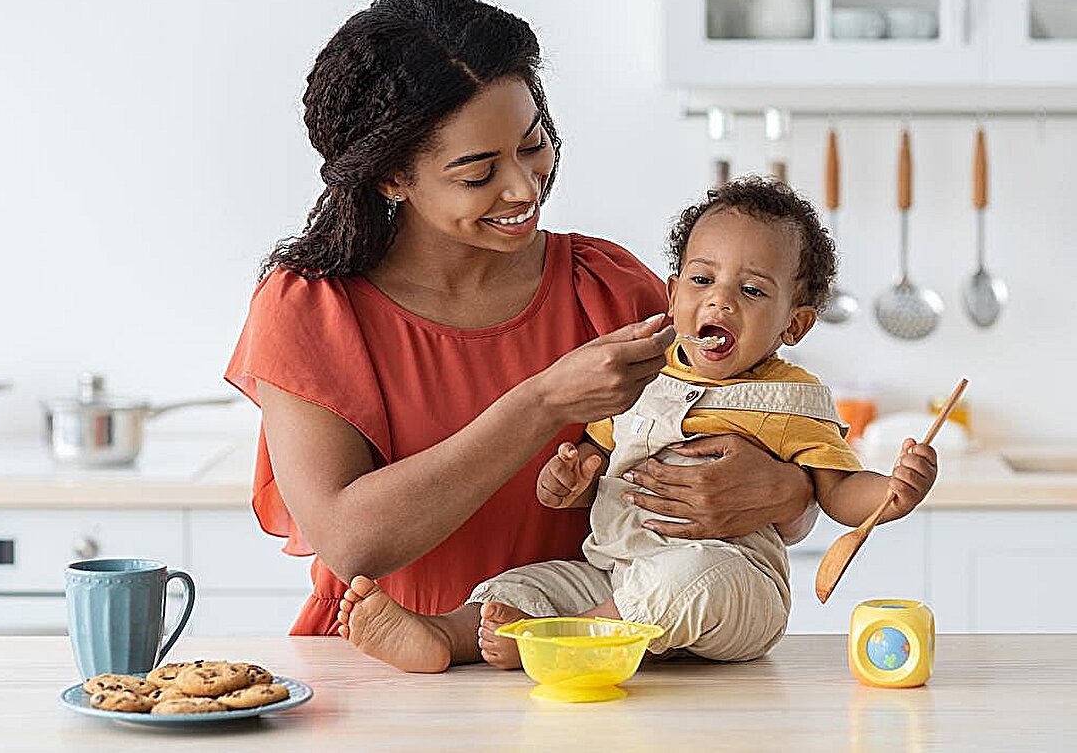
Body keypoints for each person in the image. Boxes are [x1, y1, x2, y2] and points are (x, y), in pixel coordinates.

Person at [224, 0, 820, 643]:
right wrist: (542, 402)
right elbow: (349, 540)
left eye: (533, 145)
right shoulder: (312, 308)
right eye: (478, 173)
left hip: (582, 673)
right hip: (382, 677)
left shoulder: (607, 286)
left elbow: (755, 450)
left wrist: (788, 492)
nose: (523, 187)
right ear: (391, 177)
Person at [338, 176, 939, 670]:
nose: (720, 301)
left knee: (692, 577)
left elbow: (836, 497)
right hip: (610, 571)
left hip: (734, 583)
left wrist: (893, 491)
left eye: (752, 290)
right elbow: (586, 473)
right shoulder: (639, 373)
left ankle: (567, 643)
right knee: (523, 586)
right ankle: (448, 635)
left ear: (795, 324)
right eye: (702, 280)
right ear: (673, 294)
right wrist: (564, 482)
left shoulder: (791, 399)